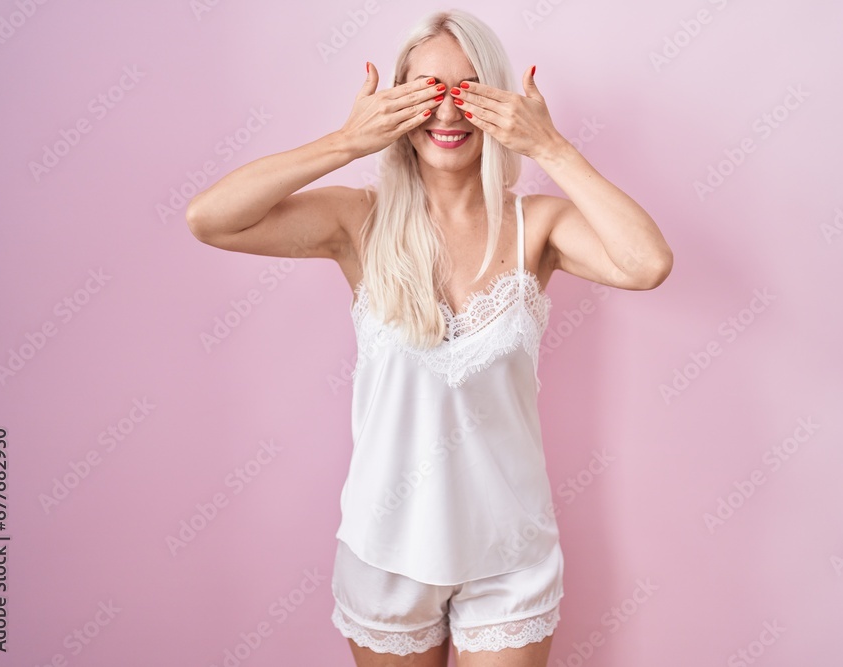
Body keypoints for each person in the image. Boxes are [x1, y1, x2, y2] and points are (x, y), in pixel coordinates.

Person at [186, 8, 672, 666]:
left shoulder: (541, 228)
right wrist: (344, 143)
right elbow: (209, 218)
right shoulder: (358, 221)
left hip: (508, 558)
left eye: (470, 90)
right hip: (386, 553)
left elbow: (648, 264)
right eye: (426, 91)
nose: (448, 113)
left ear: (500, 101)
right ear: (397, 102)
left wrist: (550, 148)